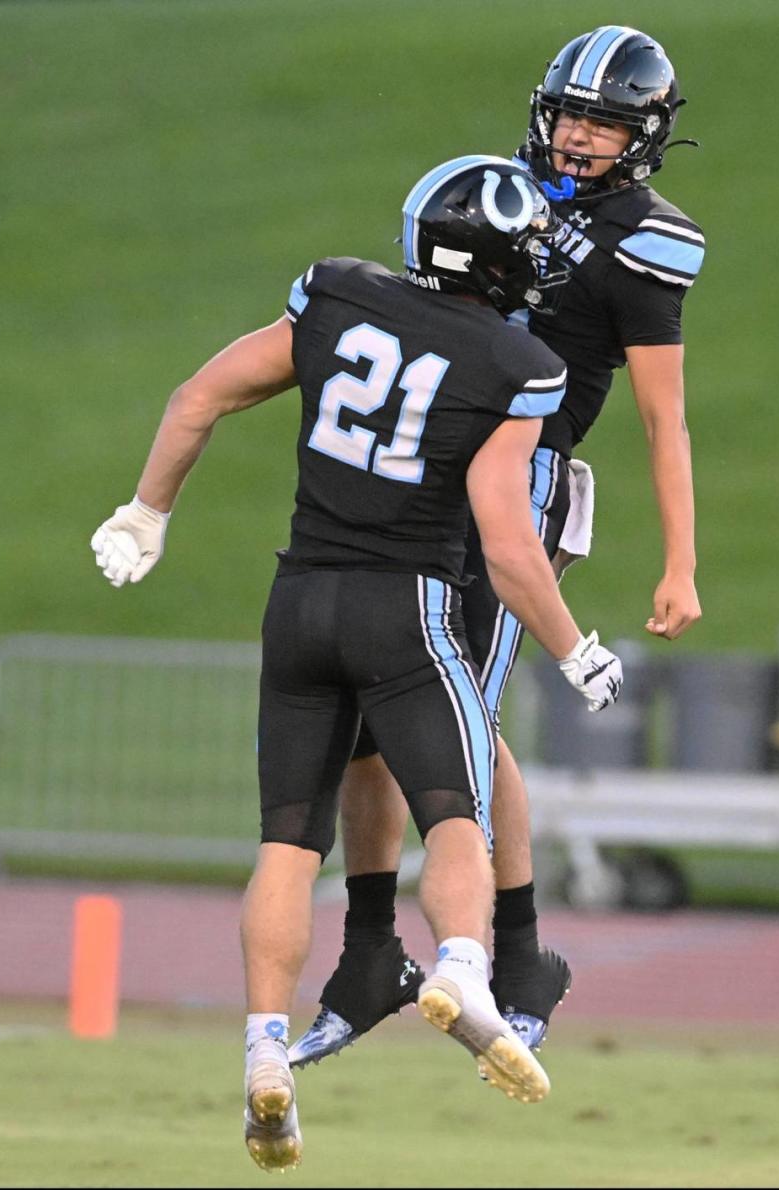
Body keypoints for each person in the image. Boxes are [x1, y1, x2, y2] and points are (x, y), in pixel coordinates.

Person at [90, 155, 624, 1172]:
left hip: (298, 602)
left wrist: (144, 511)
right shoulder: (516, 363)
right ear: (510, 261)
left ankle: (263, 1049)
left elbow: (200, 396)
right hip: (405, 609)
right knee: (458, 803)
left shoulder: (337, 294)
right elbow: (510, 549)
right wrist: (575, 645)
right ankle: (465, 966)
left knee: (288, 846)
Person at [291, 25, 705, 1067]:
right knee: (384, 716)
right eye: (569, 114)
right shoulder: (498, 188)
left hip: (522, 477)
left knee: (449, 714)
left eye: (602, 125)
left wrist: (680, 558)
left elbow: (665, 417)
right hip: (427, 463)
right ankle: (377, 948)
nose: (575, 138)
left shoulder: (649, 240)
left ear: (643, 137)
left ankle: (507, 955)